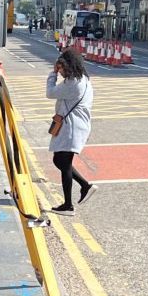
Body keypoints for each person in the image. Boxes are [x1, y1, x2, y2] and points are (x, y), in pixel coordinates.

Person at [46, 48, 95, 215]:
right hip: (76, 125)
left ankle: (68, 205)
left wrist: (52, 75)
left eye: (61, 68)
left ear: (69, 66)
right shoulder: (84, 80)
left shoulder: (73, 83)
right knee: (60, 160)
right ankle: (84, 186)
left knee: (63, 162)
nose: (60, 72)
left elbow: (50, 93)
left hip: (71, 127)